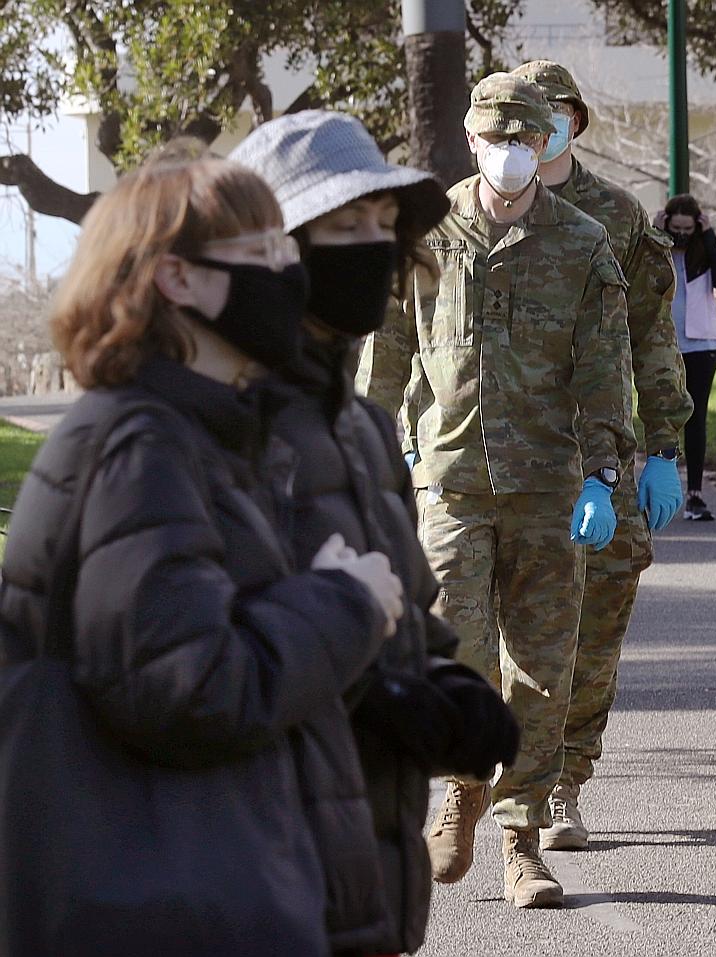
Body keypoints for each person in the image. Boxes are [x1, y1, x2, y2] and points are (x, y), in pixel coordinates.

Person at [0, 155, 405, 955]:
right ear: (177, 280)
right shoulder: (137, 448)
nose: (291, 274)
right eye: (264, 256)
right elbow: (190, 688)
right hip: (157, 909)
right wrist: (344, 601)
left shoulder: (196, 433)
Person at [230, 111, 522, 953]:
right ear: (270, 245)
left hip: (366, 864)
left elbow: (404, 607)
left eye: (382, 225)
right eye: (341, 225)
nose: (371, 246)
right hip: (258, 867)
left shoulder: (359, 428)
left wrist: (443, 684)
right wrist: (379, 696)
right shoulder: (216, 426)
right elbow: (192, 661)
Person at [357, 74, 635, 908]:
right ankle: (466, 781)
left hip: (551, 483)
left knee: (544, 667)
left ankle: (521, 837)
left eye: (528, 138)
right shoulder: (427, 232)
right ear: (471, 142)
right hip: (449, 477)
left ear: (547, 143)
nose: (513, 153)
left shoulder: (583, 241)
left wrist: (605, 470)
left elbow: (605, 370)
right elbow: (388, 349)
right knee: (457, 644)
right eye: (496, 139)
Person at [508, 59, 692, 852]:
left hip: (608, 447)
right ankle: (516, 776)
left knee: (599, 621)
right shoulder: (474, 208)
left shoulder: (618, 215)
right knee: (515, 630)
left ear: (575, 121)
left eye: (558, 110)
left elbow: (653, 335)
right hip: (506, 456)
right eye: (530, 110)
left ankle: (567, 783)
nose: (543, 123)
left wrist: (668, 446)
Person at [658, 193, 716, 521]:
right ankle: (660, 489)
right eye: (675, 227)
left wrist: (708, 237)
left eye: (687, 228)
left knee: (695, 418)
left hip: (701, 345)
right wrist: (654, 233)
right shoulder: (659, 250)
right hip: (663, 344)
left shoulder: (704, 252)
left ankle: (695, 494)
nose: (681, 234)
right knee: (662, 417)